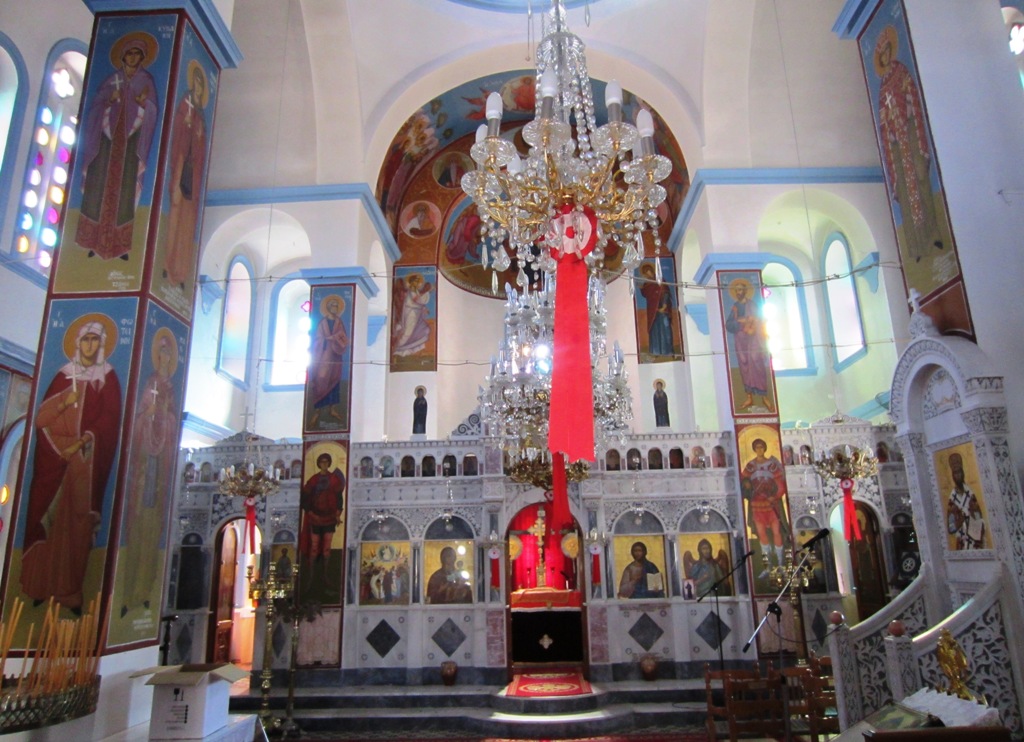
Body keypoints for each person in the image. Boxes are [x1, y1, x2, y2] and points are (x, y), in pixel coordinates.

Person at [20, 316, 123, 614]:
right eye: (85, 339)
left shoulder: (108, 378)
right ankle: (40, 585)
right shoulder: (64, 376)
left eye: (95, 340)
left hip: (84, 464)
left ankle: (70, 592)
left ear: (102, 345)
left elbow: (109, 420)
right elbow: (41, 420)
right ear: (78, 343)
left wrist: (81, 443)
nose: (89, 345)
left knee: (77, 527)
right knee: (45, 522)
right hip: (54, 460)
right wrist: (65, 401)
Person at [75, 32, 160, 260]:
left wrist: (144, 105)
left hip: (130, 144)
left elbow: (152, 111)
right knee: (98, 186)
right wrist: (108, 101)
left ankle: (120, 245)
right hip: (106, 143)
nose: (132, 57)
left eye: (137, 54)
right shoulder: (111, 80)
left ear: (142, 57)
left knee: (125, 190)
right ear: (123, 56)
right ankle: (92, 241)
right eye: (129, 53)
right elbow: (95, 105)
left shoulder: (146, 81)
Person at [120, 330, 179, 618]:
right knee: (136, 528)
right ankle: (127, 592)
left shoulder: (169, 388)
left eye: (170, 355)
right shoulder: (149, 386)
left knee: (153, 529)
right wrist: (151, 414)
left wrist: (165, 418)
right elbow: (140, 417)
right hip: (143, 467)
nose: (166, 360)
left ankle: (145, 592)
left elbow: (170, 419)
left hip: (159, 471)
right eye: (163, 354)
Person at [874, 25, 945, 263]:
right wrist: (889, 127)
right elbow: (883, 123)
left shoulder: (903, 72)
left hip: (911, 136)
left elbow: (912, 97)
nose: (884, 56)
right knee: (905, 191)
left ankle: (934, 234)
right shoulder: (883, 87)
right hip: (897, 148)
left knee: (923, 182)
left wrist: (906, 122)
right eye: (880, 54)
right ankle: (915, 246)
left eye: (886, 51)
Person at [162, 60, 208, 290]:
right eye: (197, 82)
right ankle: (167, 265)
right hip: (182, 170)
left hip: (194, 178)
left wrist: (197, 135)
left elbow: (201, 148)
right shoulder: (185, 105)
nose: (199, 87)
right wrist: (188, 127)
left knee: (187, 224)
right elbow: (179, 132)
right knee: (175, 215)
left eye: (202, 84)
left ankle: (180, 273)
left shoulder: (200, 114)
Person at [724, 277, 774, 412]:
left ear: (745, 291)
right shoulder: (734, 307)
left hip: (754, 340)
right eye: (736, 290)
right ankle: (749, 396)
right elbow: (728, 324)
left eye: (740, 290)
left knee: (756, 362)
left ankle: (765, 398)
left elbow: (761, 320)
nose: (738, 292)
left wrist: (751, 322)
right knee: (744, 365)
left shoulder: (752, 305)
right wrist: (740, 322)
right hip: (740, 341)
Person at [742, 438, 789, 569]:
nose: (759, 450)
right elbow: (743, 482)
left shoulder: (772, 465)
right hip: (757, 506)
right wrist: (747, 486)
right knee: (762, 534)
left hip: (771, 505)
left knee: (776, 532)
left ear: (765, 448)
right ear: (754, 449)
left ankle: (780, 563)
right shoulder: (750, 466)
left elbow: (780, 484)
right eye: (757, 447)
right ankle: (767, 566)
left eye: (761, 447)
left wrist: (774, 496)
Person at [300, 452, 346, 583]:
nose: (324, 464)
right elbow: (305, 497)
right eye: (322, 462)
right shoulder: (313, 480)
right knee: (314, 547)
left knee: (326, 548)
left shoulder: (334, 479)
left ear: (329, 463)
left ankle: (325, 576)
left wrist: (338, 514)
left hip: (329, 518)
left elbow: (339, 498)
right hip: (315, 517)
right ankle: (310, 577)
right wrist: (309, 512)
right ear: (319, 463)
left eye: (326, 462)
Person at [308, 295, 350, 428]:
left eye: (336, 306)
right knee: (321, 378)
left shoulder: (339, 322)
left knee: (334, 379)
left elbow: (344, 338)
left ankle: (332, 409)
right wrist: (327, 339)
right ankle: (317, 410)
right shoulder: (322, 323)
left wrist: (336, 338)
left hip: (336, 355)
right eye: (332, 306)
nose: (335, 308)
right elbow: (317, 338)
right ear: (327, 307)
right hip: (324, 354)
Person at [945, 453, 985, 549]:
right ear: (952, 476)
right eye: (955, 473)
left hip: (975, 540)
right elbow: (951, 528)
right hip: (962, 542)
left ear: (963, 473)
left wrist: (973, 514)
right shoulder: (952, 499)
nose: (958, 476)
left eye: (959, 472)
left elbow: (979, 517)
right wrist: (960, 521)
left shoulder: (970, 494)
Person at [391, 273, 433, 357]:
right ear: (413, 282)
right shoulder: (411, 291)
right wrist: (426, 291)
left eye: (419, 282)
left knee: (417, 330)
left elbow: (419, 302)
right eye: (417, 282)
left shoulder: (415, 291)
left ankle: (407, 348)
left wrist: (424, 308)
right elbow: (417, 300)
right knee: (408, 331)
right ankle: (398, 347)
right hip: (411, 313)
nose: (419, 284)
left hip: (415, 312)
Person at [639, 262, 674, 357]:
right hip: (652, 310)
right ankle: (656, 351)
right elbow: (645, 293)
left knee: (665, 330)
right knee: (654, 331)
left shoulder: (660, 280)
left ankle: (669, 351)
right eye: (645, 273)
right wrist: (641, 288)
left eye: (648, 271)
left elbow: (665, 292)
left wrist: (664, 306)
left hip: (663, 309)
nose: (647, 274)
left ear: (652, 270)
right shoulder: (646, 284)